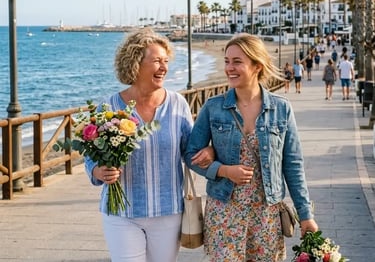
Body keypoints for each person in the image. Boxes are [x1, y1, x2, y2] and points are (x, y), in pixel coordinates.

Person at [184, 34, 318, 262]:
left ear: (257, 65)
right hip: (224, 211)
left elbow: (293, 166)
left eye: (237, 62)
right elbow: (190, 155)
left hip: (266, 214)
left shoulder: (281, 109)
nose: (229, 68)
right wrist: (224, 170)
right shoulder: (213, 107)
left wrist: (306, 215)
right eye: (227, 61)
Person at [84, 28, 211, 262]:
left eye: (166, 61)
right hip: (122, 213)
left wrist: (209, 152)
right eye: (156, 61)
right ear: (135, 64)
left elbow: (190, 150)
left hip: (168, 212)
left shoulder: (177, 103)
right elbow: (90, 152)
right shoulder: (109, 106)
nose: (164, 67)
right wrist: (97, 171)